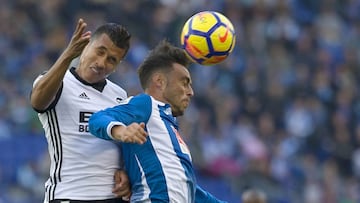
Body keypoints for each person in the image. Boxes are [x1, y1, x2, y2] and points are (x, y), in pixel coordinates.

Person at [88, 40, 227, 203]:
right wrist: (121, 131)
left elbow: (185, 189)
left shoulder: (169, 126)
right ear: (160, 81)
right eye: (184, 82)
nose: (191, 92)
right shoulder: (146, 104)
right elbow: (97, 119)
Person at [30, 18, 133, 203]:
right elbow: (37, 101)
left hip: (113, 198)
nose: (102, 63)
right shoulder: (57, 82)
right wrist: (68, 55)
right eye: (99, 52)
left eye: (112, 60)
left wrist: (126, 172)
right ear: (86, 46)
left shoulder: (119, 94)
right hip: (70, 195)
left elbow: (122, 143)